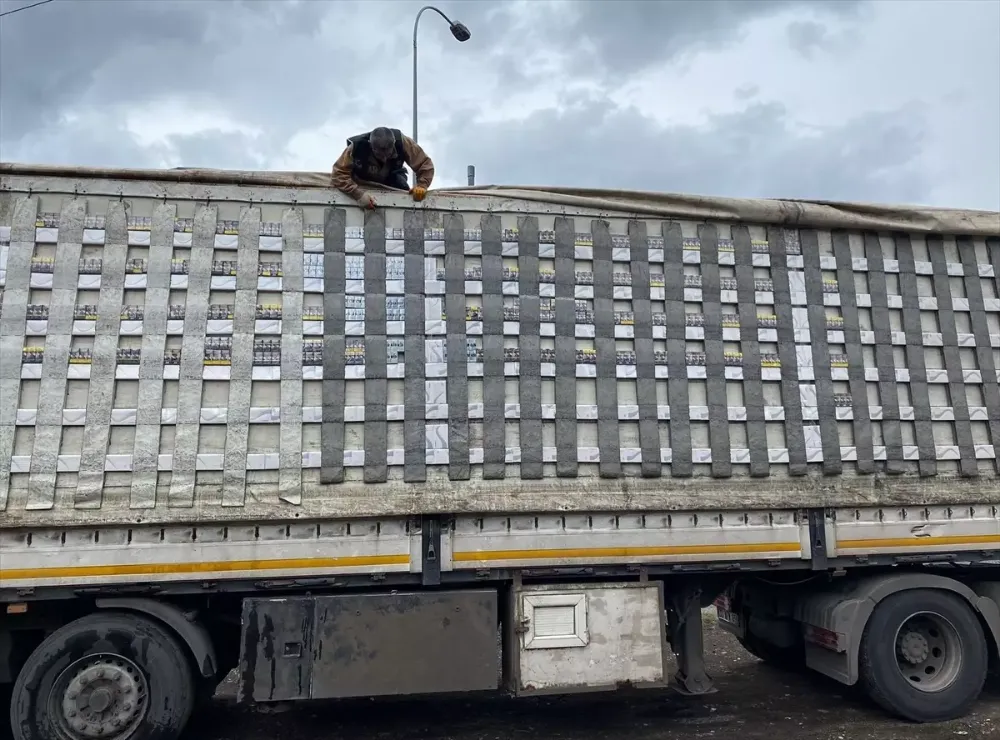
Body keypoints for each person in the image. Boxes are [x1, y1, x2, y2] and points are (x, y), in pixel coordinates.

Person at [332, 127, 435, 210]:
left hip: (392, 178)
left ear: (393, 144)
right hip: (361, 179)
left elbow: (425, 163)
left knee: (403, 190)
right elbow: (338, 173)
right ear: (371, 147)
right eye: (380, 155)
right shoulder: (356, 147)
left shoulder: (403, 142)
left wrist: (422, 185)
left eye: (388, 154)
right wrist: (358, 195)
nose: (384, 158)